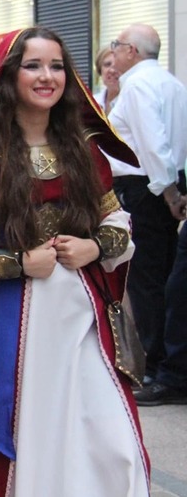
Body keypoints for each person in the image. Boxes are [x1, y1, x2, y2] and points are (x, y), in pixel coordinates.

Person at [0, 27, 148, 496]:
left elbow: (117, 220)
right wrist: (17, 263)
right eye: (33, 65)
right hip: (8, 322)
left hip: (82, 316)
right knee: (22, 429)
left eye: (56, 65)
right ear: (9, 76)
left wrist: (96, 247)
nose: (47, 76)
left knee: (106, 433)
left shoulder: (84, 148)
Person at [107, 24, 187, 389]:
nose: (113, 53)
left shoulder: (137, 85)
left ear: (133, 52)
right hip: (165, 184)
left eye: (117, 46)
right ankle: (164, 358)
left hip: (148, 187)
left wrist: (168, 193)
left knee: (147, 280)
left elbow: (153, 146)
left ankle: (156, 364)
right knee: (164, 274)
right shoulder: (171, 83)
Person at [93, 46, 120, 115]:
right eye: (107, 64)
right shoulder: (93, 102)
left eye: (117, 65)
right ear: (100, 69)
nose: (112, 70)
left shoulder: (132, 103)